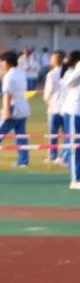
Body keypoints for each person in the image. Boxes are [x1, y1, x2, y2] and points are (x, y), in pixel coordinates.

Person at [61, 50, 80, 190]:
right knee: (75, 145)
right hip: (75, 110)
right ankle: (75, 179)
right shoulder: (77, 68)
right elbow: (68, 83)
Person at [44, 50, 67, 165]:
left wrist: (47, 102)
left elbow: (48, 93)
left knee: (53, 134)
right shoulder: (69, 72)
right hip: (67, 108)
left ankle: (53, 156)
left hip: (54, 108)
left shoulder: (51, 74)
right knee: (68, 135)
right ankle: (65, 156)